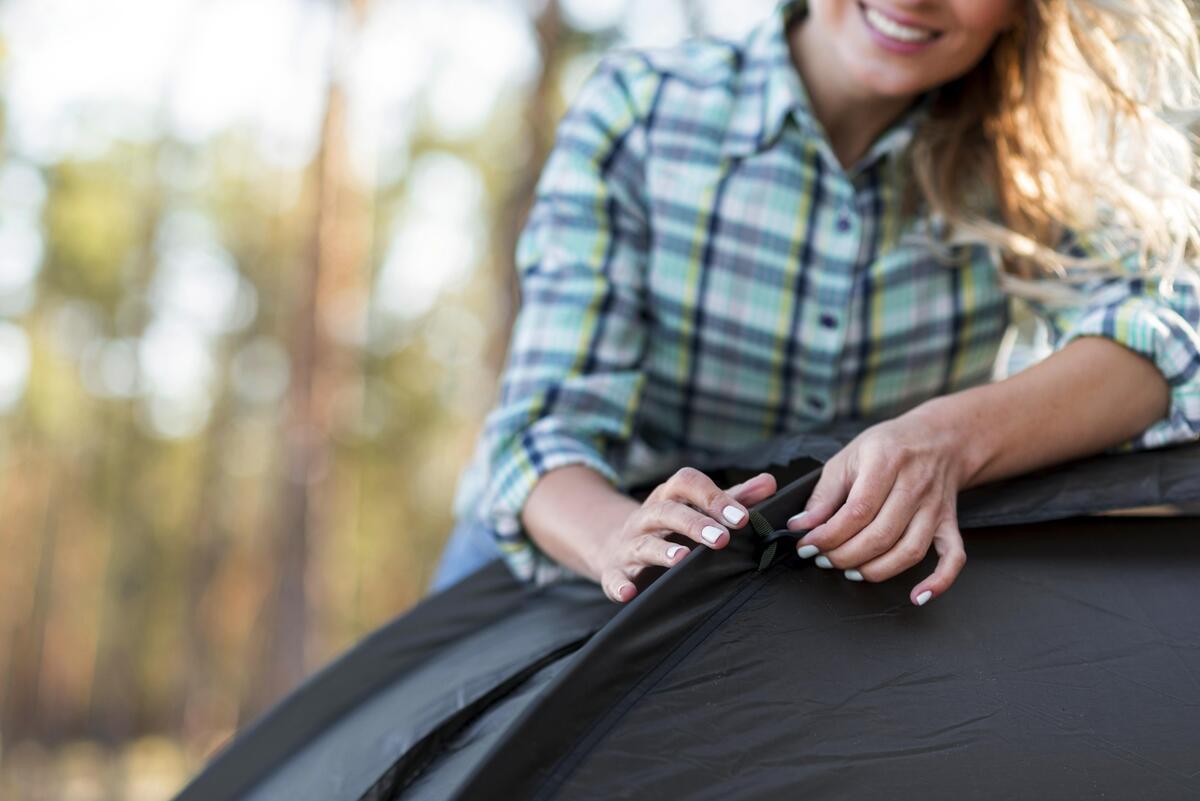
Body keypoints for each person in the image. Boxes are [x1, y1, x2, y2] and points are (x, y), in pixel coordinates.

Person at [431, 0, 1200, 606]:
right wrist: (617, 540)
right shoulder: (643, 110)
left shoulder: (1036, 162)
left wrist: (947, 438)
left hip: (821, 590)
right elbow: (537, 437)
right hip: (572, 559)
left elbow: (1170, 339)